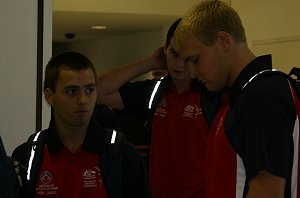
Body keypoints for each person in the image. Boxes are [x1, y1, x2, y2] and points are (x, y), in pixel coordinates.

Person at [174, 0, 299, 197]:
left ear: (223, 41)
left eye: (195, 59)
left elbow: (266, 190)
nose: (192, 72)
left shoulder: (261, 95)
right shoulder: (241, 95)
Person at [97, 18, 220, 198]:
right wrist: (150, 63)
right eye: (174, 53)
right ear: (165, 50)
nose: (179, 64)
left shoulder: (212, 93)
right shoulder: (155, 91)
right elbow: (98, 90)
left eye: (188, 58)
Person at [12, 52, 150, 198]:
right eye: (72, 91)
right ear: (49, 96)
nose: (83, 100)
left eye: (89, 90)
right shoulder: (28, 155)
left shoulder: (122, 153)